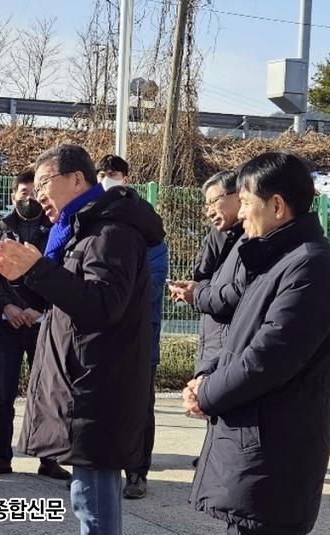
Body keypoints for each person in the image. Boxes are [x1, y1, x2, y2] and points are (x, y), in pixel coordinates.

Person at [0, 144, 164, 535]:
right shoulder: (76, 230)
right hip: (85, 384)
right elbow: (65, 299)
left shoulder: (110, 232)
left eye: (44, 184)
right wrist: (26, 273)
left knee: (93, 506)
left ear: (77, 179)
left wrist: (37, 270)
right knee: (89, 503)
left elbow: (102, 305)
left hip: (98, 389)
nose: (39, 196)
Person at [183, 151, 330, 535]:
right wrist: (206, 379)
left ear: (277, 206)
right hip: (255, 444)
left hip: (275, 451)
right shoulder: (274, 259)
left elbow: (268, 357)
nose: (241, 213)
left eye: (246, 202)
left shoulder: (311, 265)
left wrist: (206, 394)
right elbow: (240, 341)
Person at [0, 168, 69, 481]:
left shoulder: (56, 230)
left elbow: (61, 273)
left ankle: (49, 458)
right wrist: (8, 306)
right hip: (6, 326)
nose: (29, 198)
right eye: (23, 192)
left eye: (34, 193)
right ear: (13, 194)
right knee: (2, 394)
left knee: (47, 394)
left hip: (44, 324)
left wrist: (38, 309)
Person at [96, 154, 169, 499]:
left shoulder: (149, 230)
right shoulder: (93, 223)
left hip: (140, 335)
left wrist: (111, 298)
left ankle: (137, 472)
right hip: (101, 336)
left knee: (140, 407)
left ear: (126, 179)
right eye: (102, 174)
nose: (107, 179)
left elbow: (152, 285)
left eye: (113, 174)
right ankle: (98, 466)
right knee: (100, 404)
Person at [169, 170, 244, 376]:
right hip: (209, 351)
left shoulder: (252, 239)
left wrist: (197, 294)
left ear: (239, 196)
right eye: (206, 205)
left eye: (214, 202)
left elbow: (239, 294)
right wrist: (192, 292)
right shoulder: (216, 235)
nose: (209, 212)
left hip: (232, 356)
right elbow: (202, 278)